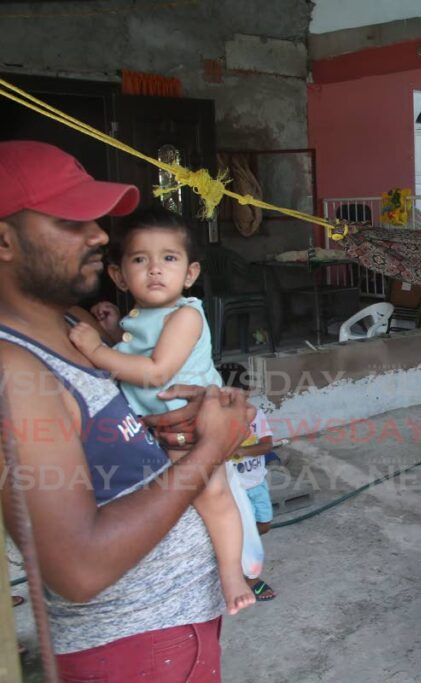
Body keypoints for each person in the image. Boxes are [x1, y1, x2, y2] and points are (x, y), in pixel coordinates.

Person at [0, 140, 254, 681]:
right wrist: (213, 446)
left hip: (174, 624)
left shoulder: (72, 327)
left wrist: (172, 425)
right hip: (137, 643)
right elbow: (80, 568)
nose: (97, 235)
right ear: (4, 240)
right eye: (72, 221)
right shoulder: (12, 369)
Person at [67, 206, 257, 616]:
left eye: (168, 259)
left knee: (213, 496)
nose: (155, 269)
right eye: (140, 260)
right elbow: (138, 350)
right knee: (170, 498)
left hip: (192, 422)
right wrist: (117, 330)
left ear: (189, 274)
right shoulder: (142, 317)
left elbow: (155, 372)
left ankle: (233, 575)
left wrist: (96, 350)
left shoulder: (186, 314)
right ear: (119, 276)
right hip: (154, 425)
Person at [221, 362, 277, 601]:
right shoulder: (219, 419)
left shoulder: (256, 415)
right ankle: (250, 579)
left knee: (264, 524)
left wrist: (242, 452)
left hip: (257, 482)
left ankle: (233, 553)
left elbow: (267, 445)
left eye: (240, 393)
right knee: (244, 533)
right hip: (235, 488)